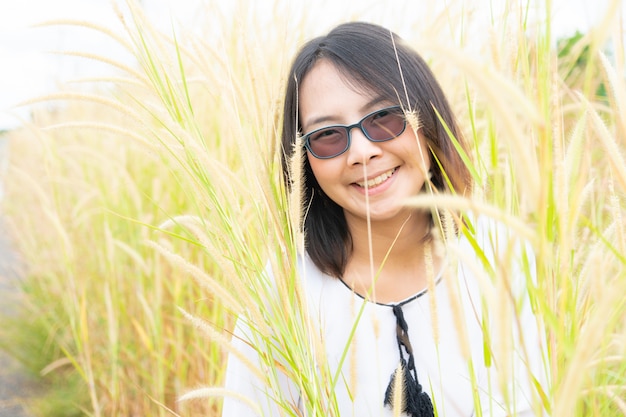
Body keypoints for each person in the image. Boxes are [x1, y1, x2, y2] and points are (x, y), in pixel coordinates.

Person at [221, 21, 548, 417]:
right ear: (302, 159)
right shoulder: (284, 297)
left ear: (427, 118)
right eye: (327, 136)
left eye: (384, 117)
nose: (361, 151)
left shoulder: (503, 259)